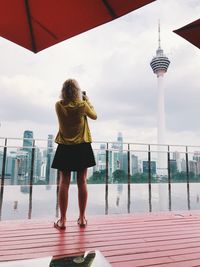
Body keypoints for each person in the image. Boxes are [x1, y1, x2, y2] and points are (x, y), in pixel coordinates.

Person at [51, 78, 97, 230]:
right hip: (82, 146)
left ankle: (63, 220)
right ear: (77, 91)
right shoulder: (82, 105)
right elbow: (94, 116)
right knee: (82, 181)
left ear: (63, 91)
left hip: (65, 146)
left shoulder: (59, 105)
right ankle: (82, 218)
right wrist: (87, 100)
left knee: (64, 182)